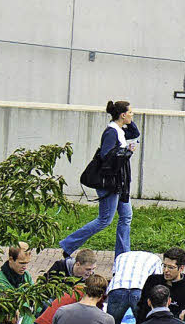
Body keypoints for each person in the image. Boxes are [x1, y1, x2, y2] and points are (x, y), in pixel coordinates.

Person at [60, 100, 139, 258]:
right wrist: (127, 152)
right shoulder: (111, 132)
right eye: (130, 113)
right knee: (104, 220)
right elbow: (106, 156)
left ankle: (123, 255)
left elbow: (135, 134)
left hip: (120, 183)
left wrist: (128, 124)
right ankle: (68, 244)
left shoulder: (120, 130)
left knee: (126, 216)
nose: (132, 115)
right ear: (123, 115)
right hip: (110, 183)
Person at [137, 248, 185, 324]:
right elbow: (141, 307)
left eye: (171, 267)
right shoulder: (152, 281)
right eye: (164, 266)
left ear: (181, 268)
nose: (166, 270)